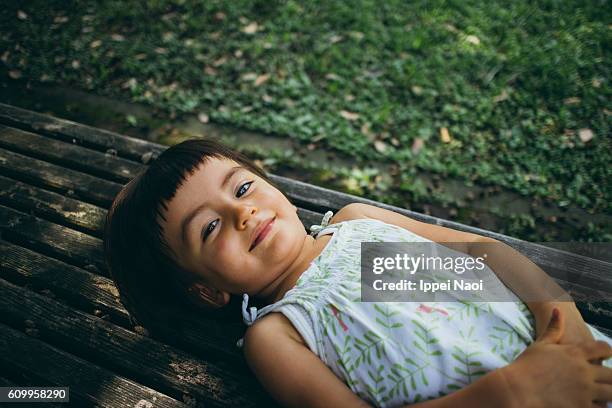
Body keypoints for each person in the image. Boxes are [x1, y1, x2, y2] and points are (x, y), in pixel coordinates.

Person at [104, 138, 612, 408]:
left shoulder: (354, 229)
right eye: (211, 228)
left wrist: (561, 321)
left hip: (574, 354)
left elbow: (482, 258)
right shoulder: (278, 335)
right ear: (208, 290)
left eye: (241, 189)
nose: (244, 214)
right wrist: (513, 394)